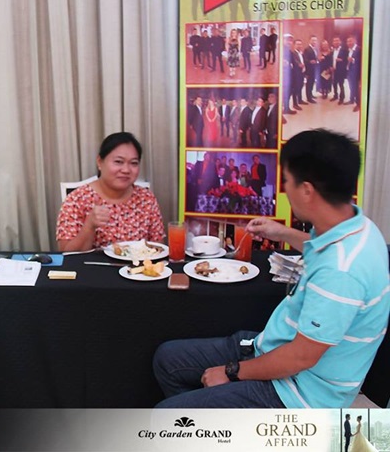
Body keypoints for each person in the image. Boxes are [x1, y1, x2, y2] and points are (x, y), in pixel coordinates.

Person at [153, 129, 390, 409]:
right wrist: (284, 233)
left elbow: (300, 357)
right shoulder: (360, 228)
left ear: (306, 191)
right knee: (168, 360)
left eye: (287, 180)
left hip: (299, 393)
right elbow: (323, 248)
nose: (284, 188)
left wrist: (231, 371)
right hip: (273, 346)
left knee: (167, 417)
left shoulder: (341, 272)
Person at [56, 132, 165, 252]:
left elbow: (158, 250)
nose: (126, 170)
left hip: (137, 269)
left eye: (133, 163)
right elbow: (67, 255)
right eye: (118, 162)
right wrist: (89, 226)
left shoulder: (146, 199)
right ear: (99, 162)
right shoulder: (77, 200)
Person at [346, 35, 362, 112]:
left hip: (356, 72)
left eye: (350, 41)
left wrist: (353, 59)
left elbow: (361, 61)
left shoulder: (359, 49)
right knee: (351, 87)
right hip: (350, 71)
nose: (349, 43)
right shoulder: (349, 50)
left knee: (356, 88)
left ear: (355, 41)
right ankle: (351, 100)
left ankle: (358, 104)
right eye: (348, 41)